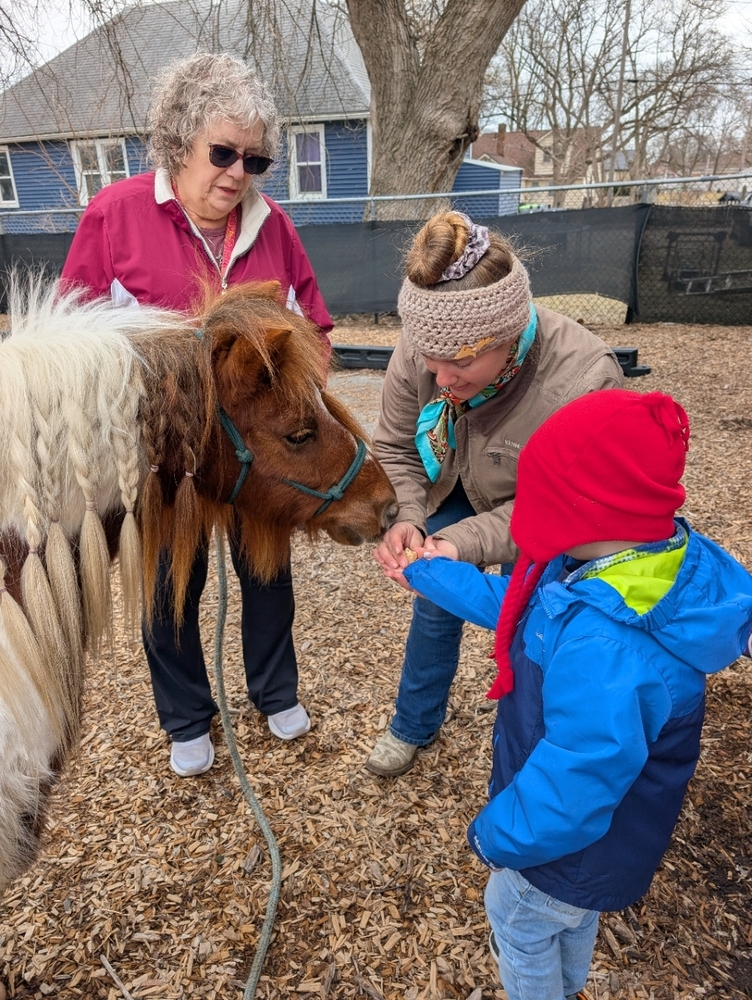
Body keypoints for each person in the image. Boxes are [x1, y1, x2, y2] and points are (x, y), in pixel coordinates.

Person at [393, 389, 752, 1000]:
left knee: (517, 916)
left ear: (583, 509)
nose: (524, 510)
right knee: (569, 920)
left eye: (536, 495)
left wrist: (497, 837)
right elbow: (515, 608)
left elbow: (579, 776)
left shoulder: (608, 646)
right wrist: (428, 571)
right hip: (590, 836)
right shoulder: (606, 569)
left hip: (572, 845)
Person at [61, 52, 333, 776]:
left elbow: (316, 328)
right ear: (178, 141)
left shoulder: (272, 227)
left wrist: (300, 398)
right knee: (171, 585)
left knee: (269, 574)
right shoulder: (113, 218)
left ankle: (275, 690)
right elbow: (73, 342)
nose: (239, 173)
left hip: (254, 454)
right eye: (223, 152)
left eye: (256, 159)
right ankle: (187, 717)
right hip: (164, 456)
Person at [368, 210, 624, 777]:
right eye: (427, 356)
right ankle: (413, 723)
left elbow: (563, 509)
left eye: (458, 361)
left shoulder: (582, 380)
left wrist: (459, 541)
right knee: (437, 597)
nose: (437, 378)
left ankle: (537, 742)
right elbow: (394, 445)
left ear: (509, 336)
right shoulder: (426, 346)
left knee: (541, 616)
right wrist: (410, 517)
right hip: (452, 481)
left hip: (542, 510)